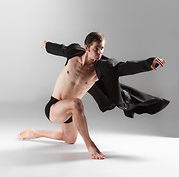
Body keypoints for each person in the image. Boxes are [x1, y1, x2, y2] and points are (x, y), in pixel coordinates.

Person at [18, 32, 169, 160]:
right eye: (96, 49)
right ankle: (91, 146)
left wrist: (149, 63)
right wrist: (47, 45)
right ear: (86, 48)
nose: (99, 53)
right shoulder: (73, 54)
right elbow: (61, 49)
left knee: (69, 139)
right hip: (53, 107)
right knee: (76, 103)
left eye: (102, 49)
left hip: (70, 113)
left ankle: (35, 133)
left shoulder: (102, 67)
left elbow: (124, 67)